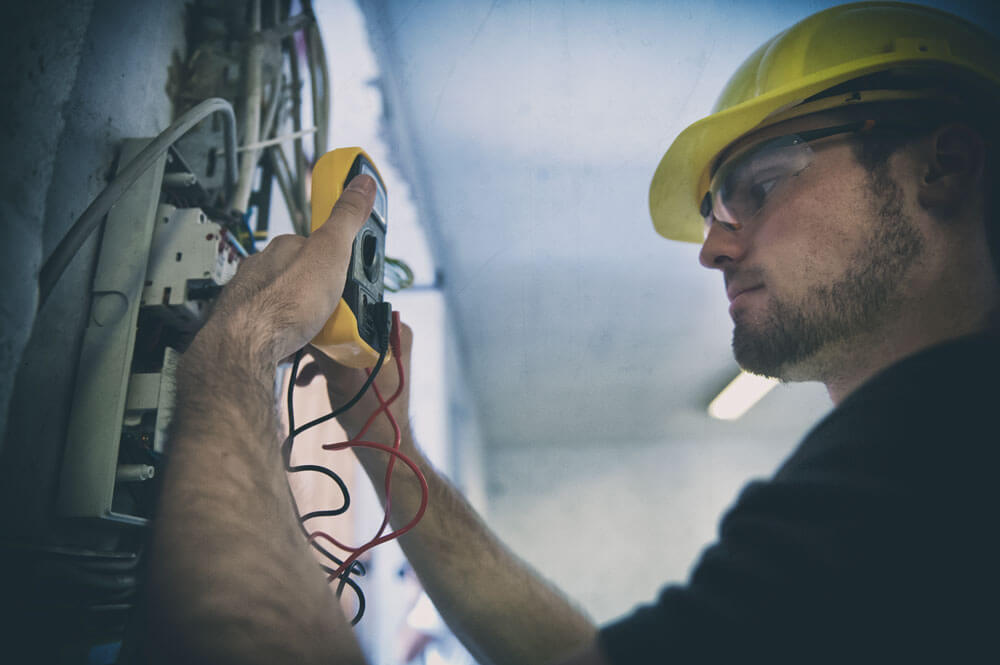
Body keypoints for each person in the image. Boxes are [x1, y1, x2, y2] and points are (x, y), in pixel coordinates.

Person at [147, 2, 1000, 663]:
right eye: (713, 211)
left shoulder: (932, 458)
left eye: (761, 185)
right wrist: (385, 439)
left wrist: (243, 340)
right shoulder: (927, 476)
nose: (711, 247)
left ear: (944, 167)